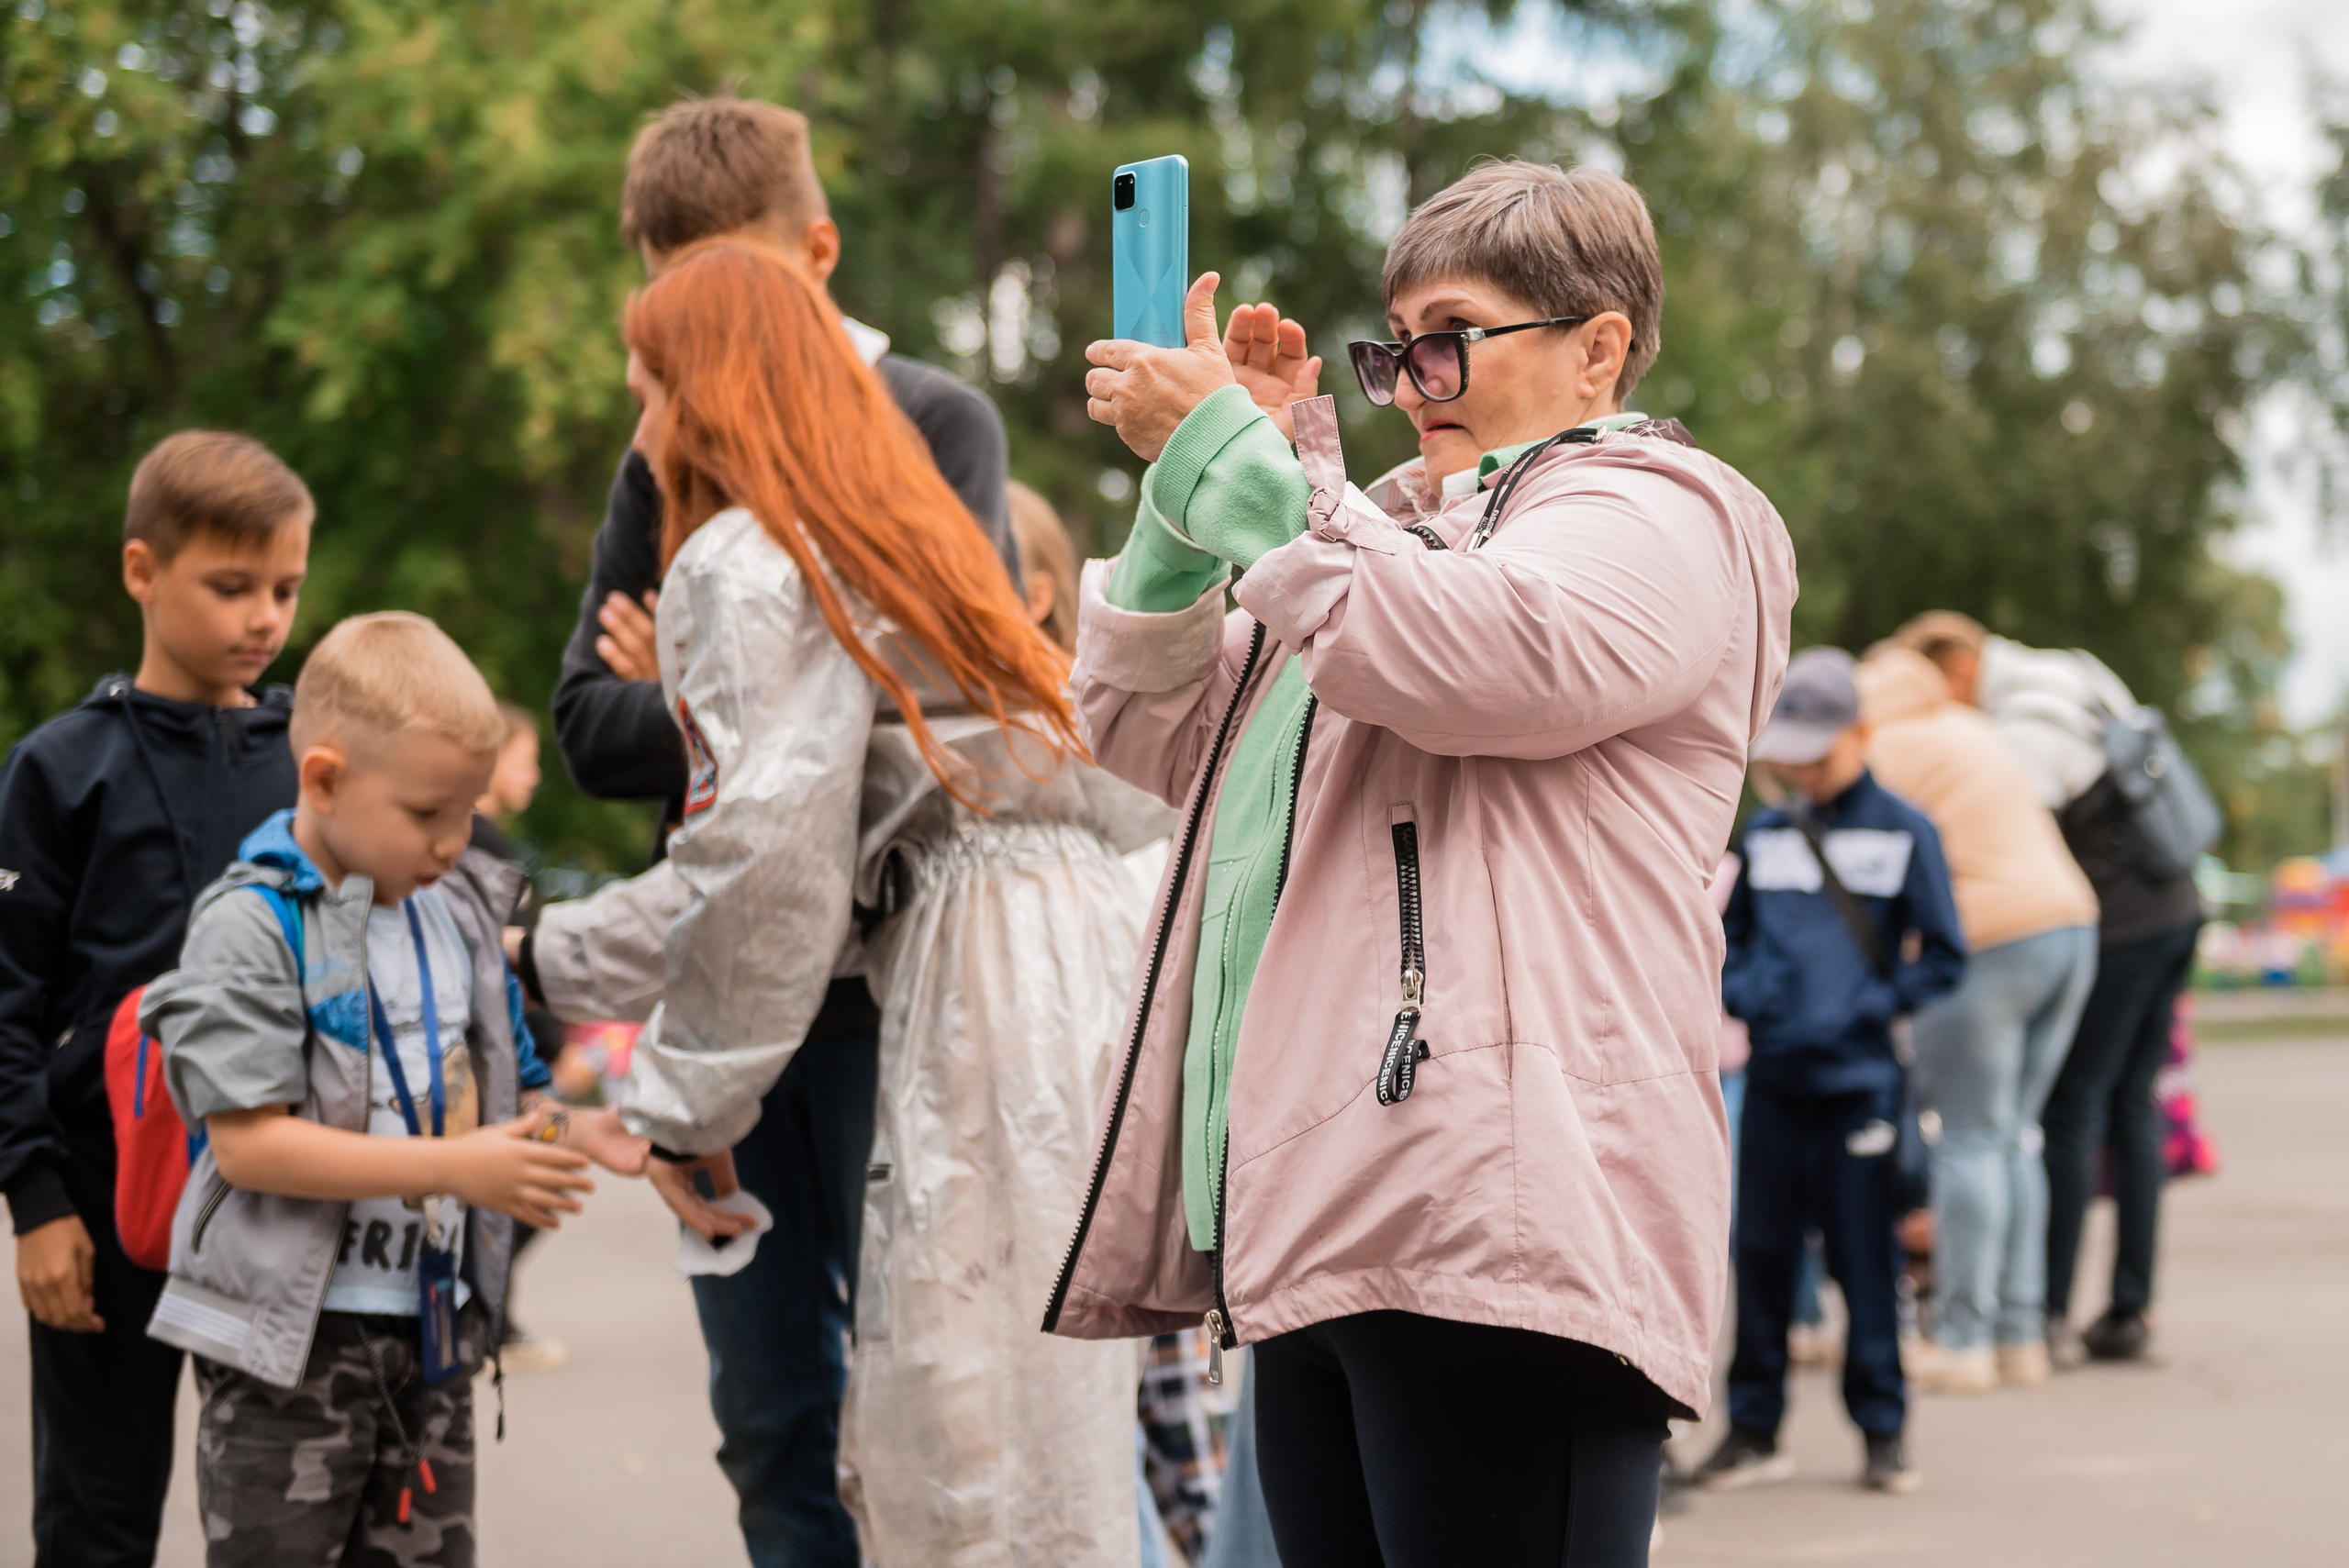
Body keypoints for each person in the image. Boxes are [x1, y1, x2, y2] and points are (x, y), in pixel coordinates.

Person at [1058, 160, 1798, 1566]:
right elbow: (1150, 732)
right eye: (1394, 350)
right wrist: (1189, 493)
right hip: (1331, 1206)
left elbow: (1479, 654)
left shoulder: (1663, 510)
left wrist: (1243, 464)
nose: (1412, 384)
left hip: (1503, 1211)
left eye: (1449, 340)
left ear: (1599, 347)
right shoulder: (1382, 543)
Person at [540, 236, 1162, 1562]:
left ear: (709, 394)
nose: (639, 434)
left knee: (951, 1431)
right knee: (1038, 1420)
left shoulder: (746, 563)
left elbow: (765, 865)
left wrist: (687, 1105)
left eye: (648, 390)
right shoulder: (896, 523)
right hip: (1067, 944)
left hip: (969, 969)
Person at [137, 612, 641, 1568]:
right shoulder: (249, 923)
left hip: (431, 1331)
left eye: (467, 812)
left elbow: (510, 1103)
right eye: (426, 814)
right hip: (289, 1346)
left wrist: (594, 1132)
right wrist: (457, 1164)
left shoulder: (449, 917)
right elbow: (249, 1143)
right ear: (324, 778)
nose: (457, 842)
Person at [0, 431, 311, 1568]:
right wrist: (33, 1196)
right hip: (102, 1191)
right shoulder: (58, 766)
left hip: (285, 1189)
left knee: (297, 1518)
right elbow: (10, 995)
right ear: (143, 569)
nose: (263, 615)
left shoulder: (317, 760)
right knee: (95, 1520)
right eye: (230, 586)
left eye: (284, 587)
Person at [1894, 613, 2203, 1365]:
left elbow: (2009, 832)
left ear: (1958, 668)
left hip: (2116, 923)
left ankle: (2045, 1311)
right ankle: (2130, 1303)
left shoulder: (2023, 724)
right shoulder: (2076, 669)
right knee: (2134, 1101)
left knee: (2067, 1109)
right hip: (2176, 904)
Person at [1699, 648, 1965, 1496]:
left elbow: (1947, 956)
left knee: (1864, 1260)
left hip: (1859, 1087)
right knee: (1764, 1256)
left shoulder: (1905, 829)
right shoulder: (1770, 833)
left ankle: (1884, 1430)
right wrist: (1749, 993)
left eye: (1821, 748)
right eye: (1794, 751)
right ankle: (1752, 1427)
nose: (1805, 768)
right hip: (1776, 1079)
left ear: (1862, 732)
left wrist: (1873, 1003)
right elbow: (1729, 938)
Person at [1855, 647, 2099, 1393]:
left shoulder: (1881, 746)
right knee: (2014, 1135)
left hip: (1988, 934)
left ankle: (1962, 1341)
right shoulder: (1968, 726)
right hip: (2070, 923)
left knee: (1965, 1137)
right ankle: (2019, 1333)